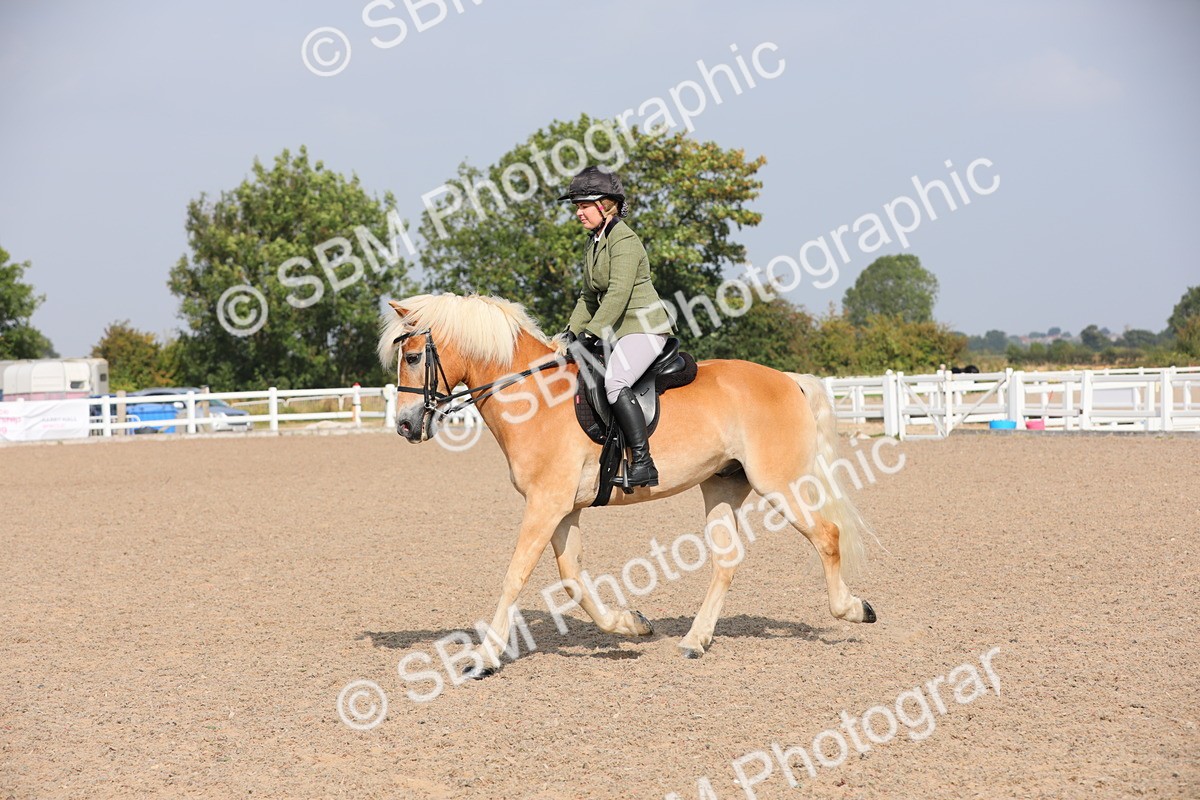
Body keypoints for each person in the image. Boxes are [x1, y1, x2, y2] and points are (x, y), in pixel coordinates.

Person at [558, 166, 673, 487]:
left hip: (644, 327)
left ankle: (643, 461)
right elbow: (588, 296)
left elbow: (619, 293)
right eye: (576, 207)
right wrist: (570, 333)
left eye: (584, 206)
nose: (578, 213)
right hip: (617, 329)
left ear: (605, 205)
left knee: (615, 381)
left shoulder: (625, 241)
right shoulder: (594, 242)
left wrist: (591, 334)